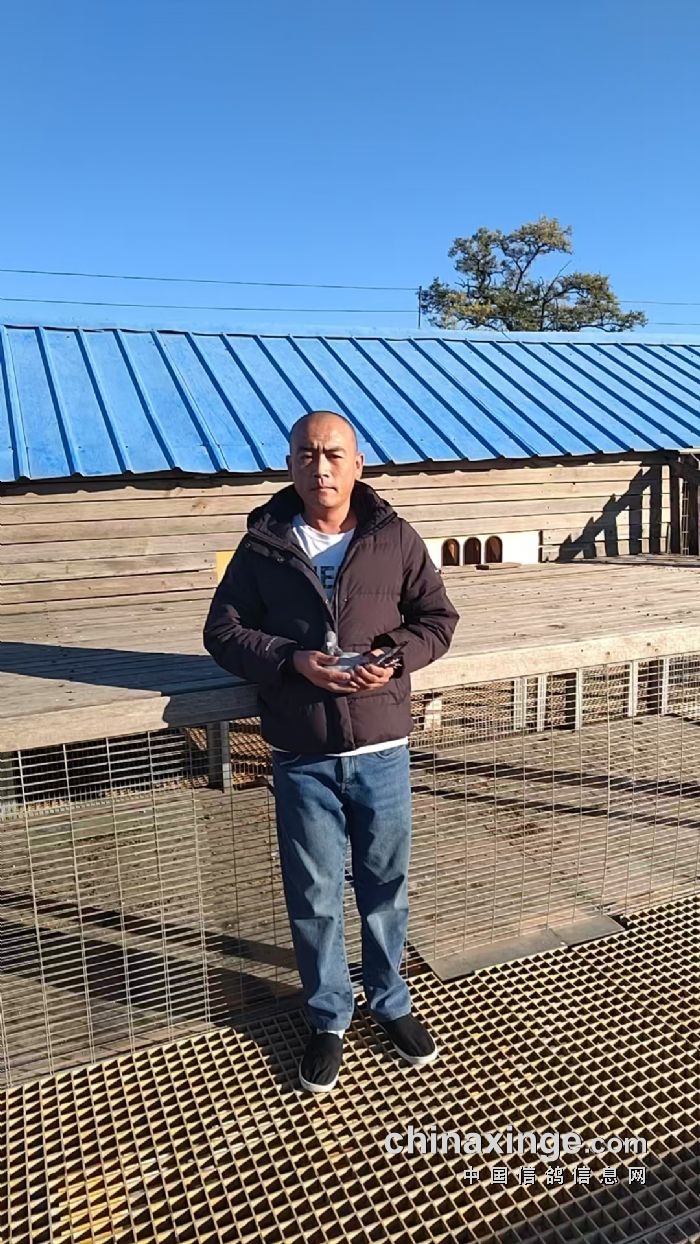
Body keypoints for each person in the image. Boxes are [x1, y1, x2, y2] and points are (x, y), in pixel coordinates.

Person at [203, 410, 459, 1093]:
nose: (321, 467)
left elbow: (438, 619)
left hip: (382, 746)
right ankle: (327, 1016)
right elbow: (222, 631)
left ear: (358, 463)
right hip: (302, 752)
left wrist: (394, 656)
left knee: (384, 886)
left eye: (334, 454)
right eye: (307, 454)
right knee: (314, 892)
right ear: (290, 462)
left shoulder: (394, 538)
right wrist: (291, 660)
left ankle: (391, 1001)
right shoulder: (264, 546)